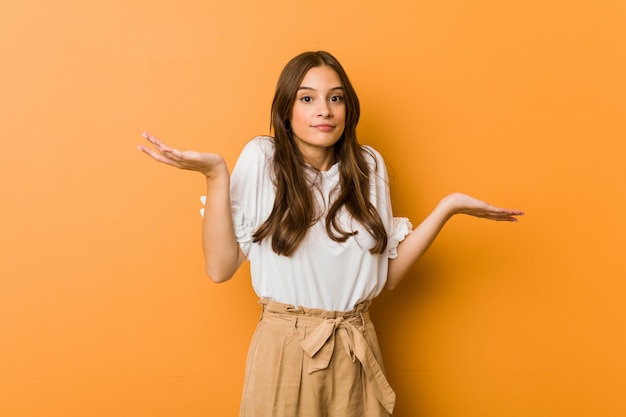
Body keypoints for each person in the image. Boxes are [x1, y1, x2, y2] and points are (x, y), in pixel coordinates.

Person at [138, 50, 523, 417]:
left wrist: (447, 207)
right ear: (286, 111)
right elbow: (220, 268)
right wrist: (215, 174)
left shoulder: (368, 166)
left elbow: (385, 278)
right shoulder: (263, 158)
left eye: (335, 98)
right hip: (286, 347)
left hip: (356, 345)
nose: (324, 109)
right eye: (307, 98)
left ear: (348, 108)